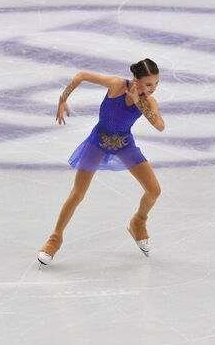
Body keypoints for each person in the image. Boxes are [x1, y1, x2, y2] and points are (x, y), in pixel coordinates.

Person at [37, 58, 165, 266]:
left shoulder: (149, 102)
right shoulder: (116, 85)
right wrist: (63, 98)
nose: (153, 89)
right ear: (136, 80)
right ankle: (54, 239)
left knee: (154, 190)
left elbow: (160, 126)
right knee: (77, 194)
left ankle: (138, 222)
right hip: (98, 142)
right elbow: (81, 76)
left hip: (124, 144)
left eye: (157, 84)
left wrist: (140, 101)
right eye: (149, 84)